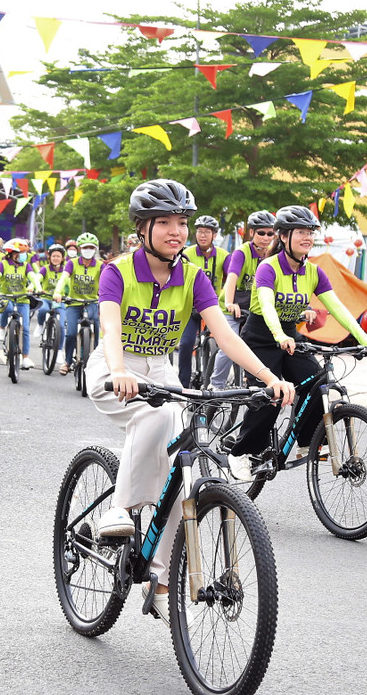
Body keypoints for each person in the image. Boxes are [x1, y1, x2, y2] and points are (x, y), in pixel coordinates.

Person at [85, 180, 294, 619]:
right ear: (143, 228)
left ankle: (160, 576)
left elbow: (225, 337)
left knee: (181, 463)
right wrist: (120, 371)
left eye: (181, 222)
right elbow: (110, 329)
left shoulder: (194, 276)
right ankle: (118, 509)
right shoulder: (117, 271)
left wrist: (268, 377)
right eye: (164, 222)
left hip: (161, 368)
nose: (176, 231)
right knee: (157, 421)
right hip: (113, 365)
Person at [223, 205, 367, 479]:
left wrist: (364, 338)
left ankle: (307, 442)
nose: (307, 237)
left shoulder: (314, 272)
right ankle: (240, 452)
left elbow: (337, 308)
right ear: (284, 237)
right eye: (301, 232)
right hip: (261, 337)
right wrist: (279, 335)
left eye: (310, 232)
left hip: (290, 338)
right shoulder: (267, 268)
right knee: (270, 396)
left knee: (317, 381)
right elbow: (266, 305)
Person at [210, 210, 277, 388]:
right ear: (252, 233)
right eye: (261, 233)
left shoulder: (272, 255)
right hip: (231, 306)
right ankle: (216, 384)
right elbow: (231, 278)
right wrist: (230, 303)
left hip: (254, 308)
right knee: (228, 346)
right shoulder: (242, 252)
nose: (266, 237)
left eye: (270, 233)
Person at [177, 214, 229, 387]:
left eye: (207, 232)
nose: (203, 235)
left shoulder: (224, 256)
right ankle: (183, 386)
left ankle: (213, 383)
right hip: (190, 308)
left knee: (223, 343)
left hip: (213, 307)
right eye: (199, 231)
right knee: (185, 344)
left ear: (214, 235)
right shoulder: (186, 253)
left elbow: (231, 280)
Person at [54, 231, 102, 374]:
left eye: (92, 248)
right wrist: (58, 292)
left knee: (98, 327)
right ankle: (68, 362)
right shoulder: (71, 263)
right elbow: (63, 278)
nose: (89, 250)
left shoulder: (100, 265)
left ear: (95, 249)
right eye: (86, 247)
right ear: (80, 249)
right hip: (73, 302)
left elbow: (108, 282)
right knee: (71, 333)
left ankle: (95, 361)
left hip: (92, 302)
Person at [0, 237, 36, 369]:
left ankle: (25, 357)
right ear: (13, 254)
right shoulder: (3, 264)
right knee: (7, 307)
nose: (24, 256)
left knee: (25, 329)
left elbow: (33, 277)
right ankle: (3, 328)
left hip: (22, 299)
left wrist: (36, 286)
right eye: (21, 253)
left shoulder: (26, 265)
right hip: (7, 297)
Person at [35, 243, 69, 347]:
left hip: (60, 301)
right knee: (43, 310)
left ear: (63, 258)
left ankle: (59, 351)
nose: (56, 258)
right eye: (53, 256)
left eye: (58, 256)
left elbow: (69, 283)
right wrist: (35, 287)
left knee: (62, 326)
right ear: (49, 257)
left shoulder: (66, 270)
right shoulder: (45, 268)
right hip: (46, 298)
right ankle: (40, 325)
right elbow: (38, 278)